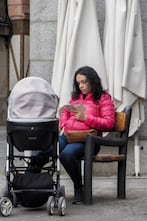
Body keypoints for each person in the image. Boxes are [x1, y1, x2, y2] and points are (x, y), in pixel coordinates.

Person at [33, 66, 115, 204]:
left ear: (92, 81)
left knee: (66, 154)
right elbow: (65, 110)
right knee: (42, 150)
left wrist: (86, 118)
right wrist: (64, 124)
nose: (81, 86)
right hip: (69, 136)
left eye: (84, 82)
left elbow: (109, 123)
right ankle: (31, 185)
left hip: (89, 140)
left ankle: (79, 188)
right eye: (78, 83)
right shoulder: (76, 98)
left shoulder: (103, 98)